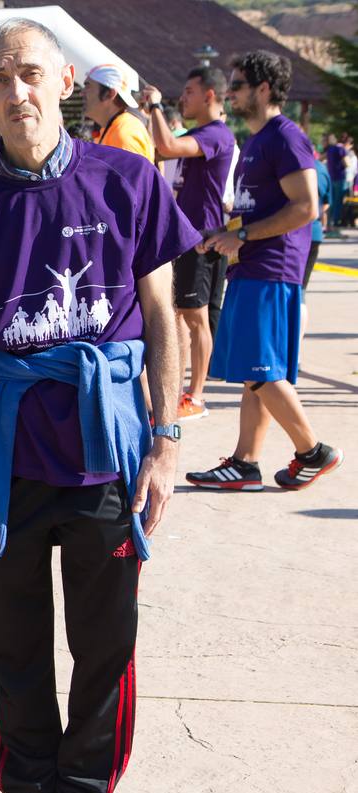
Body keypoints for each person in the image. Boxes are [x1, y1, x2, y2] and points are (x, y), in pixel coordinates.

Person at [0, 19, 199, 793]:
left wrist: (164, 442)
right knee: (12, 644)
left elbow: (162, 320)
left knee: (103, 644)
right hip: (9, 466)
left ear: (68, 81)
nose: (18, 93)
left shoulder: (127, 181)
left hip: (106, 456)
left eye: (32, 74)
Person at [187, 51, 343, 491]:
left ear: (263, 89)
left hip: (272, 270)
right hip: (253, 266)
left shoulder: (286, 137)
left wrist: (244, 236)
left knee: (260, 370)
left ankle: (313, 450)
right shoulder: (257, 141)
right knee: (255, 373)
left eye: (237, 85)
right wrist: (225, 231)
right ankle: (245, 462)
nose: (231, 92)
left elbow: (306, 207)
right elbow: (261, 209)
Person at [143, 67, 236, 421]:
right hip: (190, 235)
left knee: (196, 320)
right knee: (181, 315)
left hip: (202, 237)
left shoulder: (217, 134)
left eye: (189, 91)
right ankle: (182, 391)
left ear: (210, 95)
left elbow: (165, 147)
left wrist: (154, 107)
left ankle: (196, 395)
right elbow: (162, 149)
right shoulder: (202, 133)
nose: (183, 98)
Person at [83, 64, 154, 163]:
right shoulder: (115, 128)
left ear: (110, 94)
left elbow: (132, 178)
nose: (82, 93)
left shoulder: (124, 134)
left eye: (87, 86)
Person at [307, 138, 329, 295]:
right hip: (315, 232)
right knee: (300, 289)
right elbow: (327, 204)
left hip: (293, 234)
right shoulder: (322, 169)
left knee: (291, 289)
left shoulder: (291, 167)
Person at [323, 134, 347, 231]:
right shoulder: (339, 149)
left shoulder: (329, 150)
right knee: (338, 201)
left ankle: (329, 223)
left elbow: (320, 159)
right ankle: (335, 223)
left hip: (331, 178)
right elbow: (347, 163)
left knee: (331, 202)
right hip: (340, 177)